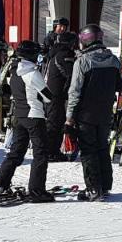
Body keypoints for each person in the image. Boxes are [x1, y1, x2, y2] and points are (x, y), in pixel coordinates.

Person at [65, 23, 122, 201]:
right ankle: (105, 186)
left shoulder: (82, 61)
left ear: (85, 40)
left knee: (89, 151)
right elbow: (119, 85)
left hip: (86, 114)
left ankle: (93, 188)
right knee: (102, 148)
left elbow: (74, 91)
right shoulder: (113, 60)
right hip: (105, 113)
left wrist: (69, 118)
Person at [0, 41, 53, 202]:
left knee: (16, 152)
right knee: (40, 154)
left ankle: (1, 184)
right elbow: (48, 96)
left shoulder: (15, 71)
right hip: (34, 116)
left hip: (19, 116)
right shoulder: (33, 73)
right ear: (32, 55)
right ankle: (36, 190)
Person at [42, 18, 78, 160]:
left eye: (64, 26)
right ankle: (51, 151)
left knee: (54, 120)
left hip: (49, 88)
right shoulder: (61, 52)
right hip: (55, 90)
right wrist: (68, 90)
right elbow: (70, 75)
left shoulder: (58, 51)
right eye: (60, 26)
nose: (62, 28)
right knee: (54, 121)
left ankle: (52, 150)